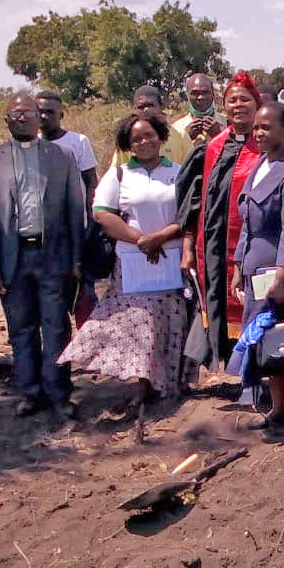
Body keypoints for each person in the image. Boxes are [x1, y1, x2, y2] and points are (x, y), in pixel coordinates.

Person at [57, 112, 190, 416]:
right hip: (133, 264)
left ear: (162, 137)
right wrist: (140, 239)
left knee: (169, 326)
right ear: (127, 145)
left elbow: (188, 216)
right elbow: (103, 214)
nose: (144, 141)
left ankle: (168, 388)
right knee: (140, 328)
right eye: (136, 139)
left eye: (149, 135)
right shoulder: (118, 175)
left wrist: (159, 237)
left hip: (170, 263)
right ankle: (142, 388)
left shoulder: (180, 173)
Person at [0, 94, 85, 421]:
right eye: (15, 114)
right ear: (6, 120)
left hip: (52, 258)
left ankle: (59, 394)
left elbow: (74, 211)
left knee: (56, 329)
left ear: (41, 120)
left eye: (28, 113)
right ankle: (29, 392)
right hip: (13, 260)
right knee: (20, 330)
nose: (22, 118)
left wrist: (76, 259)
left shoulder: (62, 156)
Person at [229, 102, 284, 439]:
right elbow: (246, 223)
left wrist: (281, 274)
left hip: (277, 273)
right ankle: (277, 408)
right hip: (254, 269)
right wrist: (237, 267)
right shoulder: (260, 163)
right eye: (256, 128)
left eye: (266, 127)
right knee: (266, 342)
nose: (259, 133)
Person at [176, 71, 264, 372]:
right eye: (232, 100)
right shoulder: (213, 147)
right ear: (224, 106)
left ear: (257, 104)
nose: (238, 105)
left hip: (256, 248)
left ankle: (258, 372)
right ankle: (232, 367)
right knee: (217, 303)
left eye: (245, 99)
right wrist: (188, 247)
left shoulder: (268, 145)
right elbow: (196, 203)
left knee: (257, 305)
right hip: (214, 247)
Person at [109, 85, 194, 171]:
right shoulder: (129, 138)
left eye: (150, 105)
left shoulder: (180, 136)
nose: (146, 110)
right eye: (141, 107)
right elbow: (117, 171)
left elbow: (190, 170)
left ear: (161, 106)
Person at [36, 90, 99, 195]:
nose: (43, 116)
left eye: (50, 112)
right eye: (40, 112)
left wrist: (88, 209)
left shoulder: (78, 141)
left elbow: (90, 181)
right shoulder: (30, 144)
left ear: (61, 115)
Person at [171, 72, 226, 144]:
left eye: (205, 92)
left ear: (213, 93)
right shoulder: (176, 128)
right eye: (195, 93)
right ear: (188, 95)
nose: (201, 97)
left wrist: (220, 135)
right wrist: (186, 138)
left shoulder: (228, 124)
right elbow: (172, 154)